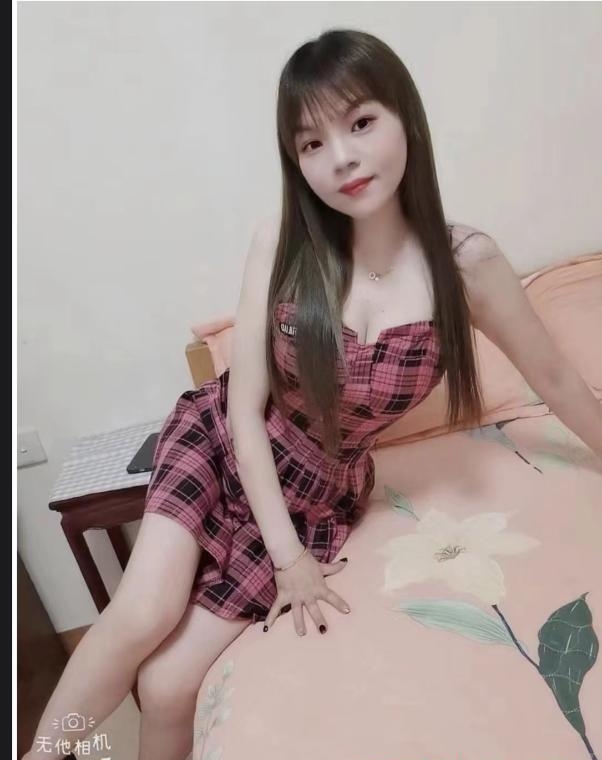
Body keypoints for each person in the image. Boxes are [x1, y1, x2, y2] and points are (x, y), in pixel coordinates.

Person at [22, 27, 602, 760]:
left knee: (168, 686)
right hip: (225, 443)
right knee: (143, 613)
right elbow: (243, 410)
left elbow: (557, 380)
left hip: (319, 489)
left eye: (360, 123)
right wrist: (286, 556)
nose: (342, 158)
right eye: (312, 143)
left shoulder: (467, 264)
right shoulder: (284, 241)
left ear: (405, 118)